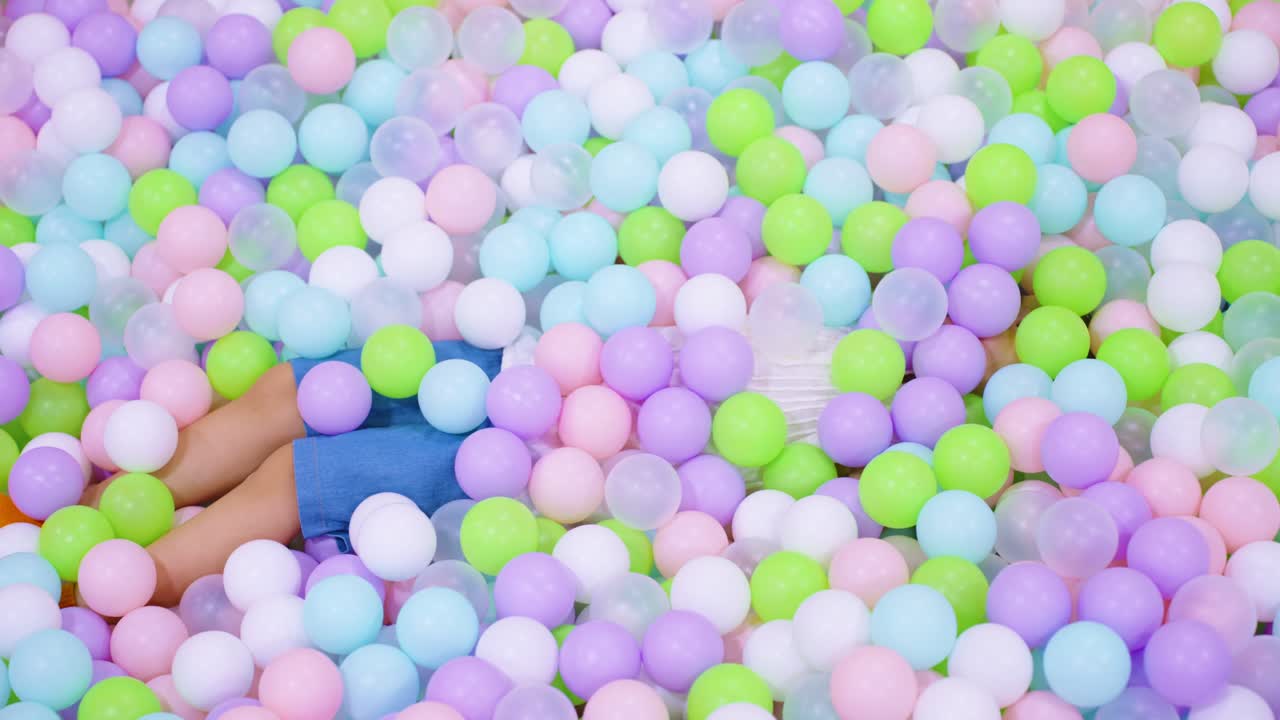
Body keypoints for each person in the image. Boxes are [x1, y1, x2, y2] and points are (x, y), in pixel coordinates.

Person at [85, 328, 843, 607]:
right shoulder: (852, 322)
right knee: (294, 390)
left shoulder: (854, 423)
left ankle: (100, 587)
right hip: (515, 365)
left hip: (534, 463)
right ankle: (95, 510)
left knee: (296, 477)